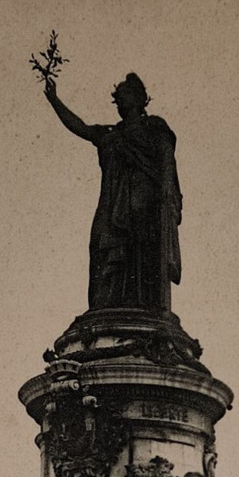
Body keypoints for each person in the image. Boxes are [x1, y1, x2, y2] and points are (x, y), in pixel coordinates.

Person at [44, 73, 182, 313]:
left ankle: (142, 306)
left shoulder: (155, 127)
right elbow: (81, 127)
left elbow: (167, 163)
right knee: (100, 243)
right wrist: (54, 100)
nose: (119, 100)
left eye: (124, 94)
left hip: (144, 204)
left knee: (140, 250)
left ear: (139, 98)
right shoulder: (110, 134)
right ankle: (105, 307)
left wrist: (168, 196)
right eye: (117, 97)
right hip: (111, 205)